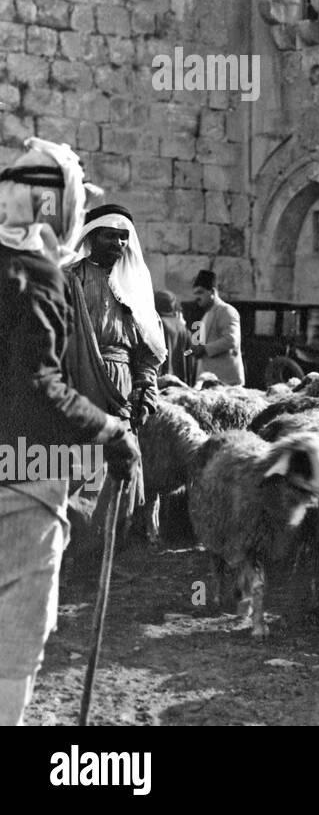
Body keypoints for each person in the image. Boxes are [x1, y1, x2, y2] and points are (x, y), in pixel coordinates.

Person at [0, 138, 140, 726]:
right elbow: (41, 386)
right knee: (19, 634)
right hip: (26, 476)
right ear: (55, 204)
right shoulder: (34, 271)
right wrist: (112, 429)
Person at [65, 205, 166, 431]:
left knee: (120, 458)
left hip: (124, 386)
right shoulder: (71, 277)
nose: (118, 242)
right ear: (92, 236)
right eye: (110, 235)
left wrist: (144, 393)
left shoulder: (133, 286)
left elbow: (147, 350)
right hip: (78, 379)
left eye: (123, 237)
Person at [190, 270, 244, 386]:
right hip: (209, 381)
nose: (197, 297)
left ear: (213, 292)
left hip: (226, 382)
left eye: (200, 293)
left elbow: (231, 340)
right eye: (195, 294)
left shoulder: (226, 311)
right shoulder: (207, 314)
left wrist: (204, 349)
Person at [155, 289, 192, 383]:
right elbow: (190, 351)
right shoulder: (182, 326)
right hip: (180, 379)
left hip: (161, 378)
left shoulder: (158, 324)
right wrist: (181, 355)